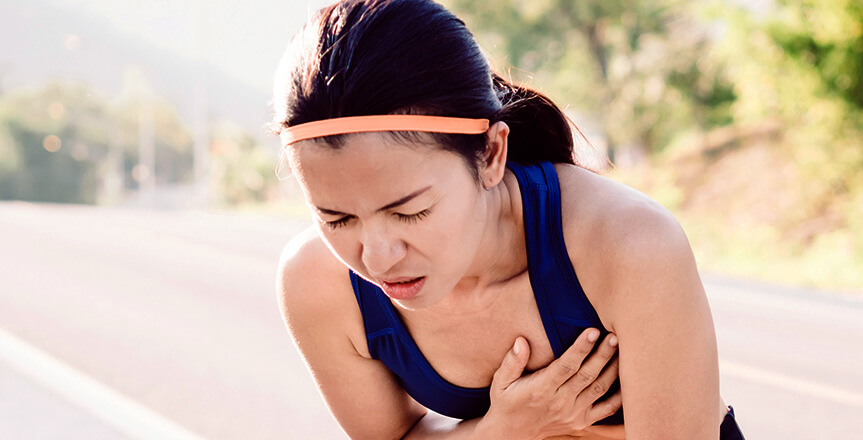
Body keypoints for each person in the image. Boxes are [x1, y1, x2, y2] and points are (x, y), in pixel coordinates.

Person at [272, 0, 742, 438]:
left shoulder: (632, 244)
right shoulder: (318, 284)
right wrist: (504, 429)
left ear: (492, 153)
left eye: (409, 211)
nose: (377, 258)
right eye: (336, 219)